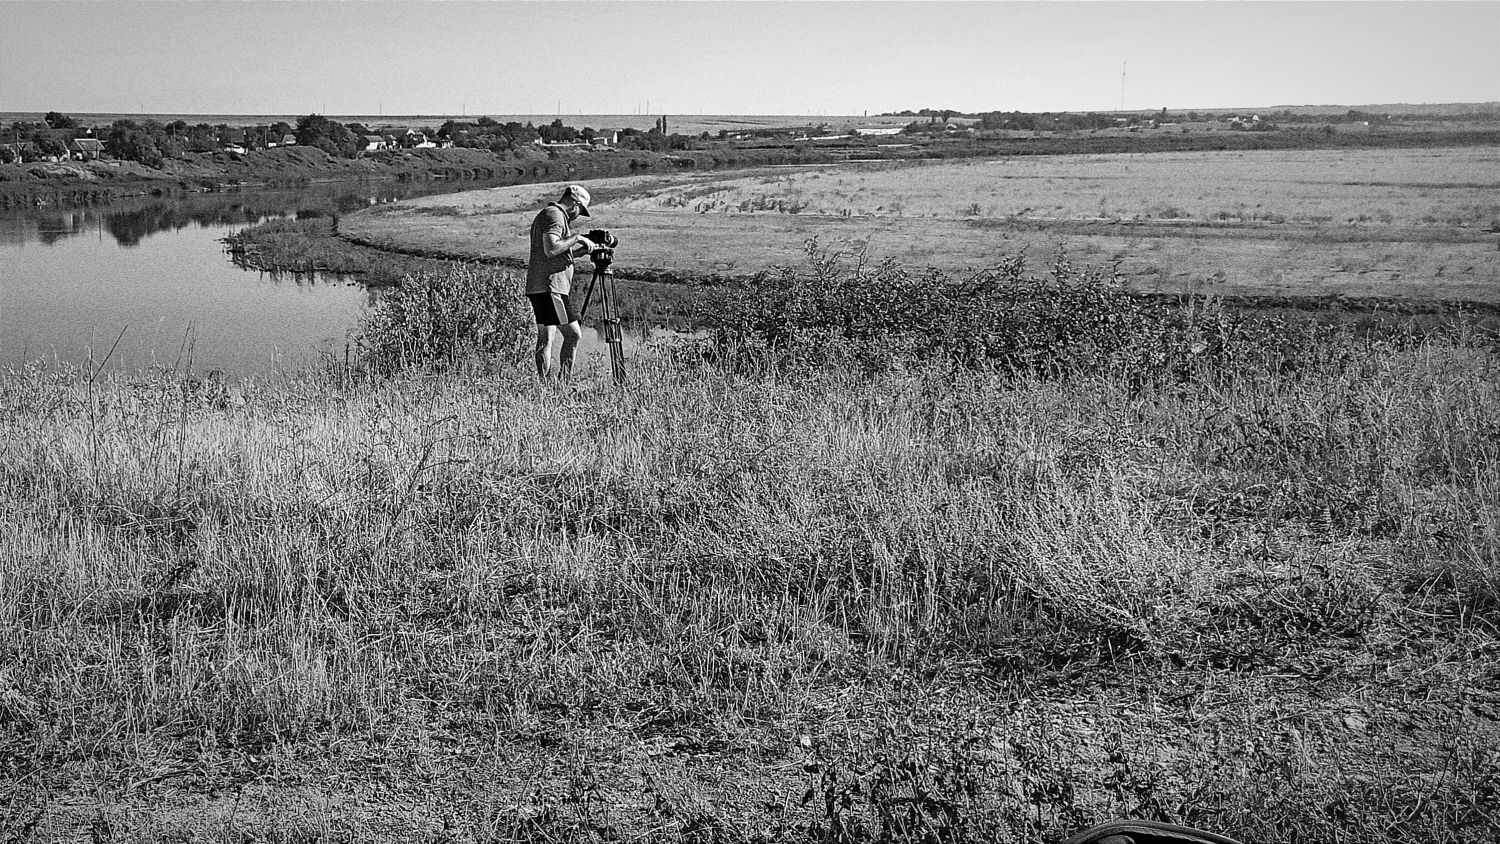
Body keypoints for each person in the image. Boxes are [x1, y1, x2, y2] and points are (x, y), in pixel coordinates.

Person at [525, 184, 598, 381]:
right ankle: (563, 384)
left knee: (546, 338)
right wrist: (576, 238)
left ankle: (544, 386)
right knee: (573, 334)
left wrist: (581, 252)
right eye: (580, 210)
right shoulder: (555, 215)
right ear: (575, 203)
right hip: (551, 287)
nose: (578, 215)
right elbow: (551, 248)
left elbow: (552, 253)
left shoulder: (549, 214)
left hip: (539, 285)